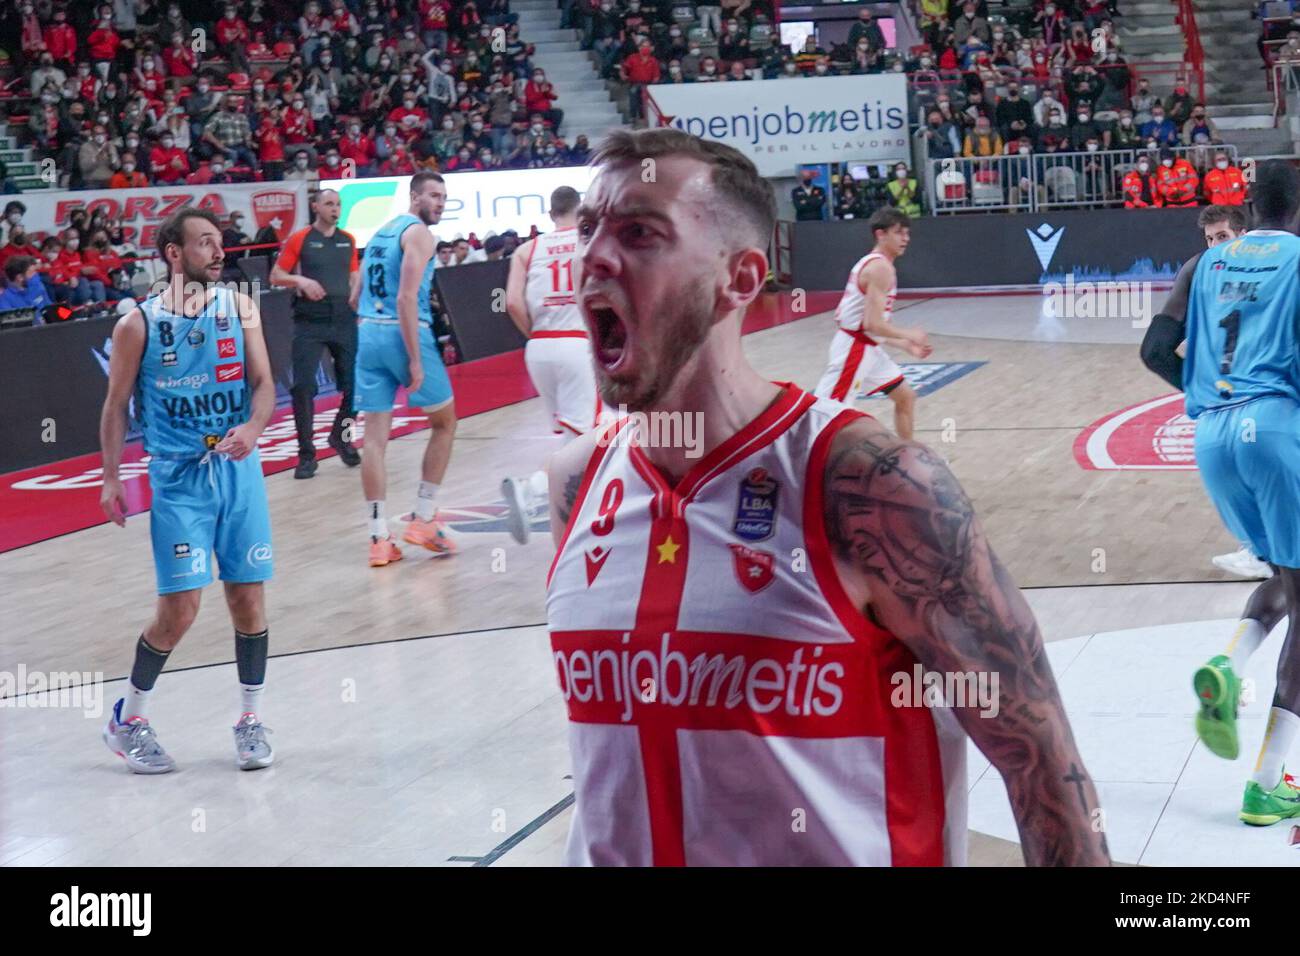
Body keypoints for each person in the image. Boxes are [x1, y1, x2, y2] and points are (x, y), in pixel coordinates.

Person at [545, 128, 1109, 866]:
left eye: (640, 232)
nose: (594, 254)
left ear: (741, 280)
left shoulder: (875, 488)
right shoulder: (577, 482)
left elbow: (1039, 761)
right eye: (588, 229)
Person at [98, 207, 276, 774]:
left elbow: (265, 383)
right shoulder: (137, 325)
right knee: (179, 609)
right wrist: (109, 477)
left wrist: (251, 428)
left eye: (219, 242)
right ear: (173, 254)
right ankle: (129, 720)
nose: (218, 251)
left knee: (248, 599)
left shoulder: (240, 307)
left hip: (239, 472)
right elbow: (116, 405)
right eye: (204, 243)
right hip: (179, 479)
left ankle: (250, 719)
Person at [1158, 163, 1300, 825]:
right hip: (1273, 432)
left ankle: (1230, 661)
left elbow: (1160, 348)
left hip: (1212, 436)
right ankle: (1268, 782)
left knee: (1286, 574)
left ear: (1248, 207)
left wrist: (1206, 390)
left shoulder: (1205, 264)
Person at [354, 171, 458, 567]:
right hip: (403, 334)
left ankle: (379, 538)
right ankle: (424, 518)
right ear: (415, 197)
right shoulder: (418, 234)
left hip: (368, 336)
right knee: (445, 423)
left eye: (444, 197)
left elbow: (354, 292)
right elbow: (406, 297)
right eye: (434, 196)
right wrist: (414, 357)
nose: (441, 203)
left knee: (374, 441)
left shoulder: (382, 230)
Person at [500, 186, 603, 544]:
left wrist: (538, 333)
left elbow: (513, 302)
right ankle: (532, 490)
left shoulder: (527, 249)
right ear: (581, 210)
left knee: (579, 433)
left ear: (550, 214)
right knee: (586, 438)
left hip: (539, 348)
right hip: (577, 343)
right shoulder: (590, 242)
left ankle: (578, 510)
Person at [813, 207, 931, 441]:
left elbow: (873, 327)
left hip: (867, 346)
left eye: (907, 232)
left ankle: (907, 455)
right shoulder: (880, 268)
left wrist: (905, 345)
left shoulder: (881, 265)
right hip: (854, 349)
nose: (906, 238)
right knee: (825, 417)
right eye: (899, 232)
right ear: (880, 234)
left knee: (905, 397)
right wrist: (910, 335)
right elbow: (873, 324)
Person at [271, 189, 363, 480]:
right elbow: (276, 276)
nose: (335, 209)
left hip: (343, 317)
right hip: (309, 320)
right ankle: (306, 454)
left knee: (356, 386)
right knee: (303, 386)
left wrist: (358, 302)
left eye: (338, 204)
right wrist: (300, 279)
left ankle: (341, 436)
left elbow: (353, 275)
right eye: (329, 204)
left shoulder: (347, 240)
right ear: (315, 207)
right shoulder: (300, 238)